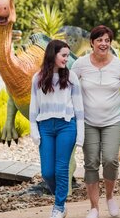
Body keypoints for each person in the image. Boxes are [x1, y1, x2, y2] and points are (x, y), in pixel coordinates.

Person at [71, 25, 120, 218]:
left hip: (113, 120)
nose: (103, 44)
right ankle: (94, 207)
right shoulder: (81, 64)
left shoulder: (118, 65)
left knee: (110, 159)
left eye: (107, 40)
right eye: (99, 40)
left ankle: (109, 197)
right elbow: (69, 89)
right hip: (88, 122)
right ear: (92, 42)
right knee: (91, 162)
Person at [29, 39, 84, 218]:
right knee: (47, 172)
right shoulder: (37, 78)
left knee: (61, 169)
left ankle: (59, 206)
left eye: (68, 56)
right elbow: (33, 107)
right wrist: (34, 130)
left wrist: (80, 134)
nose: (67, 59)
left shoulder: (71, 77)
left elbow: (79, 108)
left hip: (66, 126)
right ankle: (59, 199)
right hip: (45, 127)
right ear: (53, 54)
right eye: (64, 55)